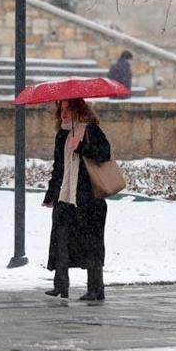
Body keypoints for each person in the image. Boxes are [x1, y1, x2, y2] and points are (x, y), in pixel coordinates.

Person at [42, 98, 111, 301]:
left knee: (92, 244)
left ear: (78, 109)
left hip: (89, 199)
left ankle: (96, 289)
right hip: (65, 197)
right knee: (60, 241)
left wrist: (81, 146)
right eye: (61, 109)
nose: (63, 113)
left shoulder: (92, 130)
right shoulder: (62, 133)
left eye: (67, 109)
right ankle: (60, 285)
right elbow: (59, 167)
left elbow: (104, 154)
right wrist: (51, 194)